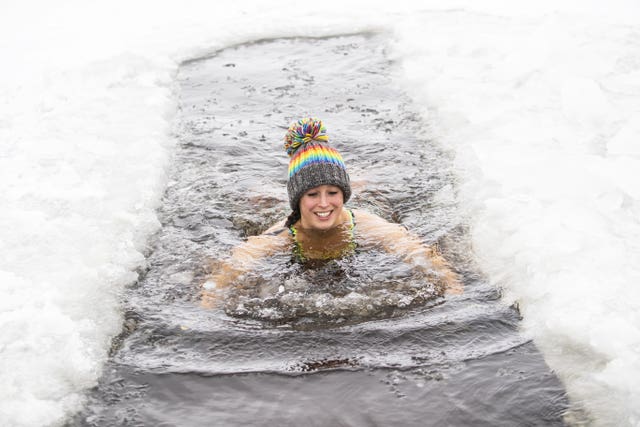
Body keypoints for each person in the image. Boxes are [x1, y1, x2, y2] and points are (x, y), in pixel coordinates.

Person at [201, 118, 461, 306]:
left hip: (370, 206)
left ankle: (362, 179)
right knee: (259, 199)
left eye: (333, 193)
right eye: (312, 195)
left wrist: (453, 290)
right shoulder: (281, 235)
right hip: (283, 215)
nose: (324, 204)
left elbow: (419, 253)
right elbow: (231, 269)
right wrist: (208, 306)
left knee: (372, 191)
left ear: (344, 195)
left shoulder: (368, 225)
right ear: (298, 200)